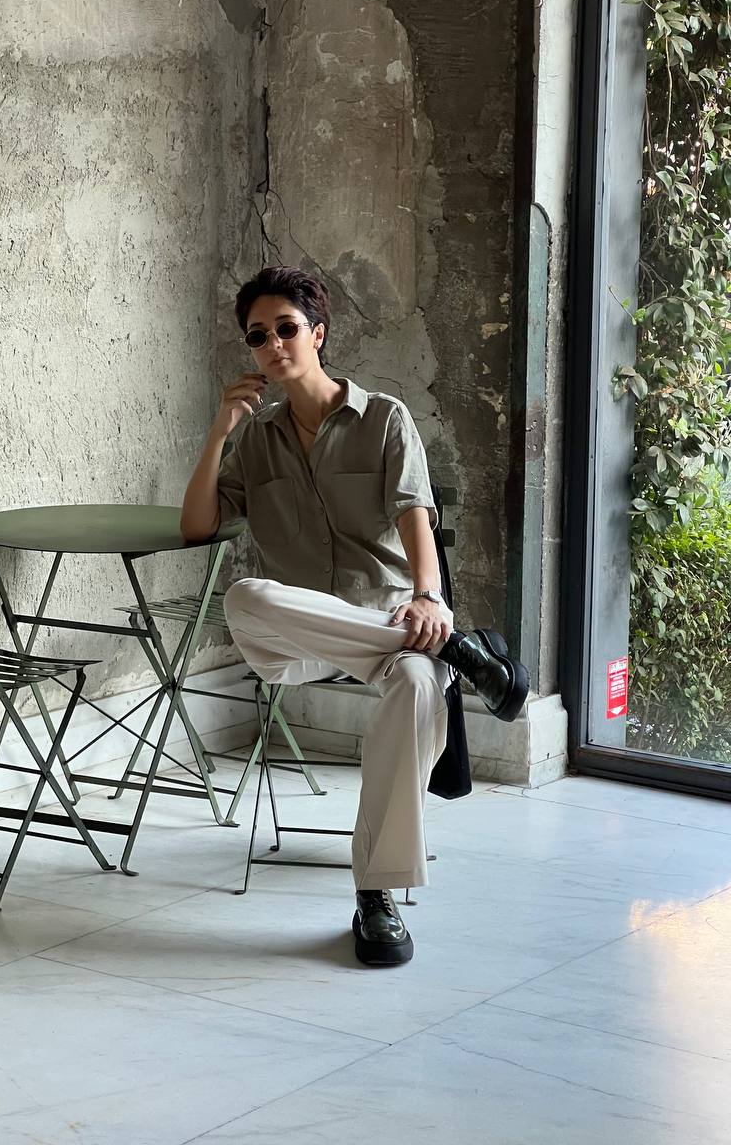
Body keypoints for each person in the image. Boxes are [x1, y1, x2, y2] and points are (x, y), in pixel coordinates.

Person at [181, 266, 528, 967]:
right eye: (257, 336)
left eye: (285, 328)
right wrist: (220, 429)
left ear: (318, 333)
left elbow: (415, 518)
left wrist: (429, 598)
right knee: (246, 597)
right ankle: (459, 651)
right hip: (301, 636)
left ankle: (377, 892)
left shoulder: (385, 419)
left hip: (389, 621)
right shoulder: (257, 439)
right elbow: (197, 527)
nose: (273, 344)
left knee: (417, 684)